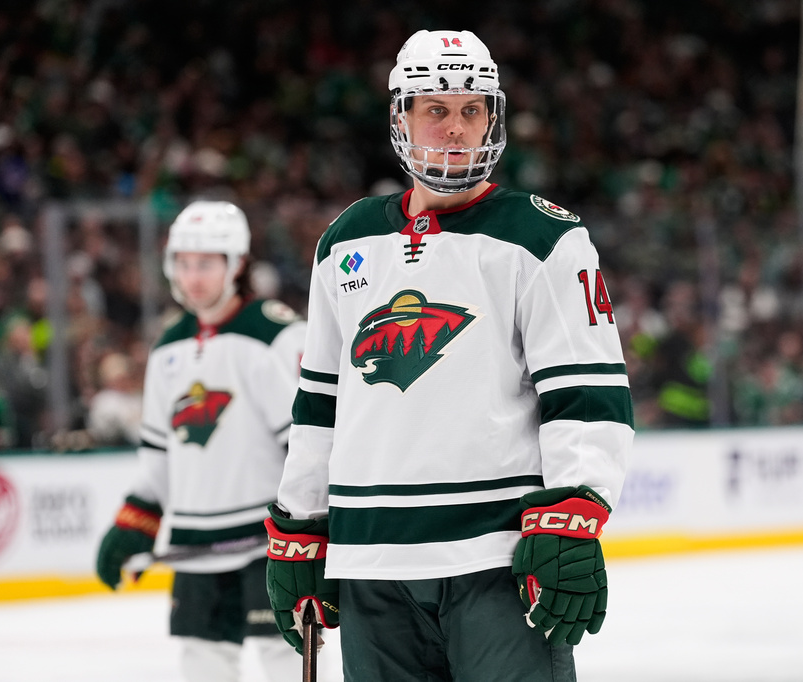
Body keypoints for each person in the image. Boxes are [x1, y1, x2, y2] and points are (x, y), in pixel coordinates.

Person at [265, 30, 634, 680]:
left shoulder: (543, 237)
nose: (457, 128)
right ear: (401, 117)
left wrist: (573, 511)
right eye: (436, 110)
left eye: (473, 109)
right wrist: (301, 522)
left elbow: (585, 394)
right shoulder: (346, 241)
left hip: (495, 561)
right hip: (371, 566)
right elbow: (320, 401)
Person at [95, 200, 320, 682]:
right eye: (183, 263)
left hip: (270, 542)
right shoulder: (169, 346)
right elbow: (160, 453)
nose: (192, 276)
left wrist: (312, 525)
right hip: (196, 544)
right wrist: (135, 520)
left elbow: (307, 446)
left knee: (285, 657)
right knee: (202, 662)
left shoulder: (274, 336)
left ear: (236, 264)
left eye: (206, 263)